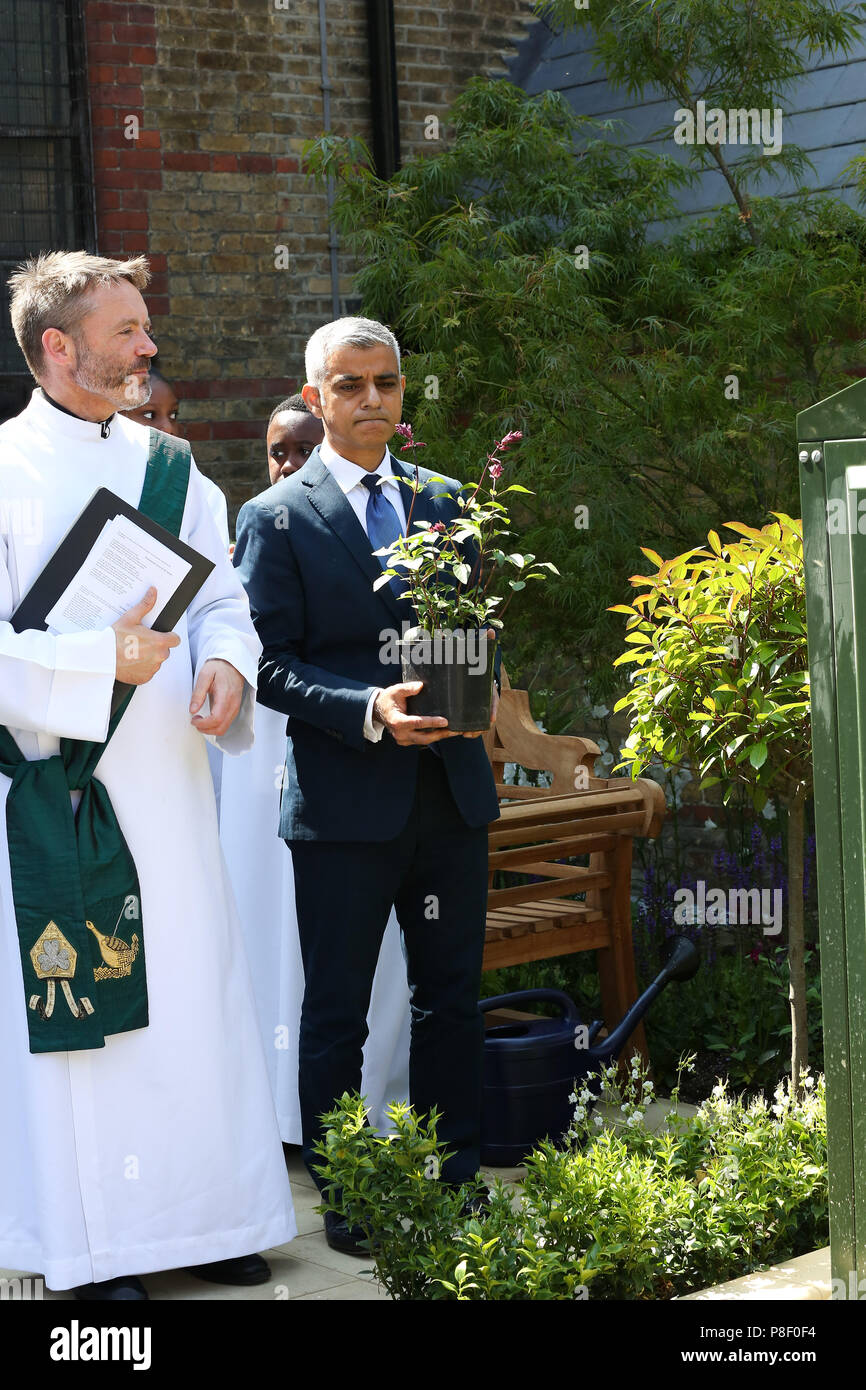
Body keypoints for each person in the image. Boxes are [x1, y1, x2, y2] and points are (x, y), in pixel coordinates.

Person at [0, 251, 295, 1301]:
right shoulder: (1, 474)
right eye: (126, 330)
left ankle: (210, 1216)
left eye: (144, 326)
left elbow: (222, 601)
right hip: (55, 793)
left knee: (190, 997)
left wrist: (224, 663)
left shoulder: (174, 472)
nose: (148, 347)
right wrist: (92, 664)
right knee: (88, 1014)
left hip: (167, 787)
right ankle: (94, 1251)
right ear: (56, 349)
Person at [233, 316, 499, 1256]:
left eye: (385, 383)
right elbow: (271, 665)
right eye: (349, 386)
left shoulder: (451, 500)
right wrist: (371, 707)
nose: (371, 400)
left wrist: (474, 687)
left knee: (451, 999)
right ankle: (349, 1198)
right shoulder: (274, 517)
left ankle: (452, 1179)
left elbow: (469, 631)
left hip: (451, 793)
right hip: (346, 802)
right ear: (316, 398)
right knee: (337, 1009)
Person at [219, 395, 411, 1146]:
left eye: (302, 450)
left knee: (351, 962)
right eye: (277, 453)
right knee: (265, 928)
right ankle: (272, 1110)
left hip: (346, 764)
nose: (289, 464)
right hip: (259, 762)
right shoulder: (261, 525)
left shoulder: (369, 520)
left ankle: (365, 1109)